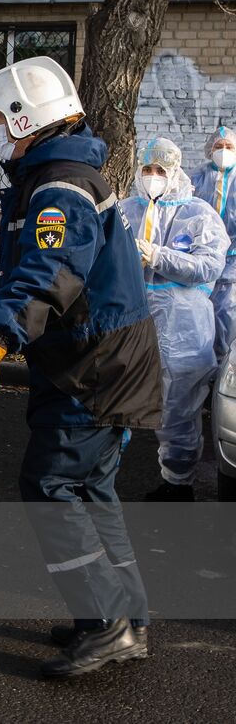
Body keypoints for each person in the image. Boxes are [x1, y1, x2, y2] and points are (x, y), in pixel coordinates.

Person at [0, 57, 161, 678]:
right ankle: (126, 618)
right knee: (90, 490)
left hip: (92, 366)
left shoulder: (59, 188)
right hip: (97, 357)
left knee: (50, 488)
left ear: (24, 118)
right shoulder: (48, 179)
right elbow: (17, 277)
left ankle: (106, 624)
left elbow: (50, 274)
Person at [119, 138, 228, 503]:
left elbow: (210, 265)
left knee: (179, 406)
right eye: (147, 169)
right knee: (121, 396)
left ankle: (177, 483)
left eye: (160, 171)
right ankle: (101, 474)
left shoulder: (198, 214)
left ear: (175, 173)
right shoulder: (124, 211)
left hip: (183, 324)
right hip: (131, 319)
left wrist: (160, 256)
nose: (152, 177)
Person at [190, 126, 236, 360]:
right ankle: (202, 361)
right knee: (200, 310)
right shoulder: (196, 178)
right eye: (219, 146)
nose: (223, 151)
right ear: (210, 150)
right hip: (202, 256)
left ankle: (224, 363)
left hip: (233, 260)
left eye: (229, 147)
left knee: (227, 311)